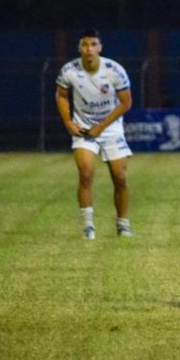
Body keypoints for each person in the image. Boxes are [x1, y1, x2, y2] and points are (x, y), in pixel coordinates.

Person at [55, 30, 135, 240]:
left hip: (110, 128)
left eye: (93, 44)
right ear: (79, 48)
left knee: (120, 178)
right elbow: (61, 96)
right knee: (86, 174)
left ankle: (123, 225)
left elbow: (127, 103)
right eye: (85, 45)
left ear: (100, 48)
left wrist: (101, 127)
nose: (89, 49)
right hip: (83, 127)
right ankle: (88, 226)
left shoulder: (114, 70)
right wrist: (68, 123)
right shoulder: (69, 70)